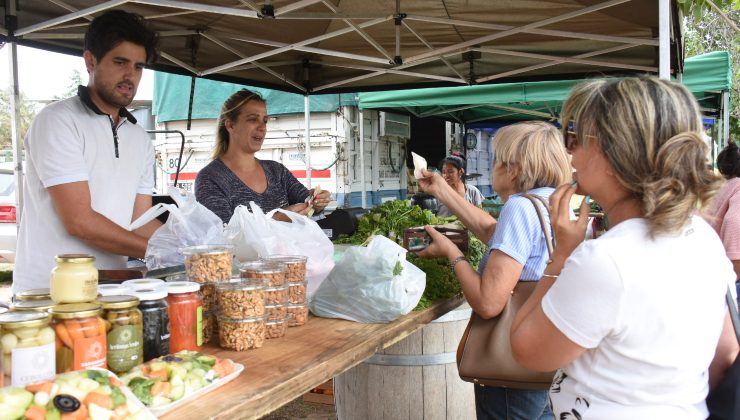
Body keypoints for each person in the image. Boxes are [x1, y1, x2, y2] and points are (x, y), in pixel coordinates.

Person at [510, 77, 739, 419]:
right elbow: (724, 357)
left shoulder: (605, 261)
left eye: (575, 136)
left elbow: (527, 351)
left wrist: (561, 256)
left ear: (615, 151)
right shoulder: (702, 239)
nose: (569, 150)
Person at [416, 121, 572, 419]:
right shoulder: (549, 201)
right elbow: (493, 231)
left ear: (514, 168)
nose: (493, 164)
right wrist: (442, 191)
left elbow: (489, 303)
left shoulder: (520, 207)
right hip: (541, 359)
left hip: (509, 367)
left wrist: (451, 252)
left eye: (498, 157)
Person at [13, 10, 161, 293]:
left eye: (139, 66)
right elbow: (80, 221)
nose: (130, 75)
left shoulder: (140, 138)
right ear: (90, 61)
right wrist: (156, 251)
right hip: (48, 294)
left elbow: (138, 219)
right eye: (120, 62)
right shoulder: (58, 120)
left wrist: (191, 247)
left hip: (110, 290)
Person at [195, 89, 331, 223]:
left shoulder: (277, 171)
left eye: (265, 121)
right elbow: (223, 235)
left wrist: (318, 200)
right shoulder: (210, 178)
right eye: (253, 119)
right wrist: (276, 220)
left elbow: (306, 200)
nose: (262, 127)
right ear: (230, 125)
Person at [707, 142, 740, 280]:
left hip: (710, 262)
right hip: (728, 271)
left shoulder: (720, 187)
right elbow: (734, 222)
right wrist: (736, 273)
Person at [436, 153, 484, 217]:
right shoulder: (439, 192)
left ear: (461, 171)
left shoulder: (472, 191)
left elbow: (480, 215)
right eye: (444, 172)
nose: (446, 175)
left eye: (450, 171)